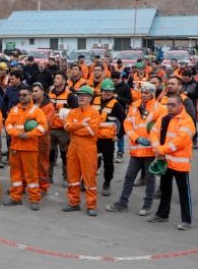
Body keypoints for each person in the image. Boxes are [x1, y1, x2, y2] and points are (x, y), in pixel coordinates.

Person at [107, 82, 167, 215]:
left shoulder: (160, 109)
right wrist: (136, 138)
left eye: (147, 93)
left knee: (150, 179)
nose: (144, 95)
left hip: (151, 151)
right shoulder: (135, 106)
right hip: (136, 149)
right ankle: (122, 203)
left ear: (152, 93)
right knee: (129, 177)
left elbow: (161, 129)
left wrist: (151, 141)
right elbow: (127, 124)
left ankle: (147, 205)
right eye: (143, 92)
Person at [147, 95, 196, 229]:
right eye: (168, 104)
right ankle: (162, 214)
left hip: (179, 163)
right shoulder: (164, 118)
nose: (169, 107)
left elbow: (180, 142)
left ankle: (187, 220)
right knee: (165, 188)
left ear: (181, 106)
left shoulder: (187, 121)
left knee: (184, 192)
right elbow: (154, 132)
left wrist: (160, 150)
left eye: (172, 105)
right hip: (165, 160)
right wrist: (157, 148)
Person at [3, 85, 48, 210]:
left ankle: (34, 199)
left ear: (30, 95)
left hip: (29, 148)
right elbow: (8, 125)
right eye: (20, 95)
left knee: (31, 175)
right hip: (15, 147)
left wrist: (28, 135)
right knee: (15, 175)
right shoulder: (14, 110)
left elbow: (42, 127)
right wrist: (17, 134)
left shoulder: (36, 111)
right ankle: (15, 197)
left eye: (24, 95)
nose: (21, 97)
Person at [62, 86, 101, 216]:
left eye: (84, 95)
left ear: (90, 98)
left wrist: (75, 127)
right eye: (79, 95)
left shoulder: (94, 113)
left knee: (89, 178)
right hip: (73, 148)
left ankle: (91, 205)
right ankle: (73, 203)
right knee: (72, 177)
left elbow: (91, 131)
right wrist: (81, 124)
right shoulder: (73, 112)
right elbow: (67, 127)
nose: (80, 97)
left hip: (88, 150)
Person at [48, 73, 78, 187]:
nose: (55, 80)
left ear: (64, 81)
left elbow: (76, 111)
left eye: (58, 78)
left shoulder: (69, 95)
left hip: (63, 131)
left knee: (65, 155)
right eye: (55, 78)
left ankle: (66, 178)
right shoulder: (49, 93)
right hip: (50, 129)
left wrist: (67, 116)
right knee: (50, 154)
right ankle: (49, 176)